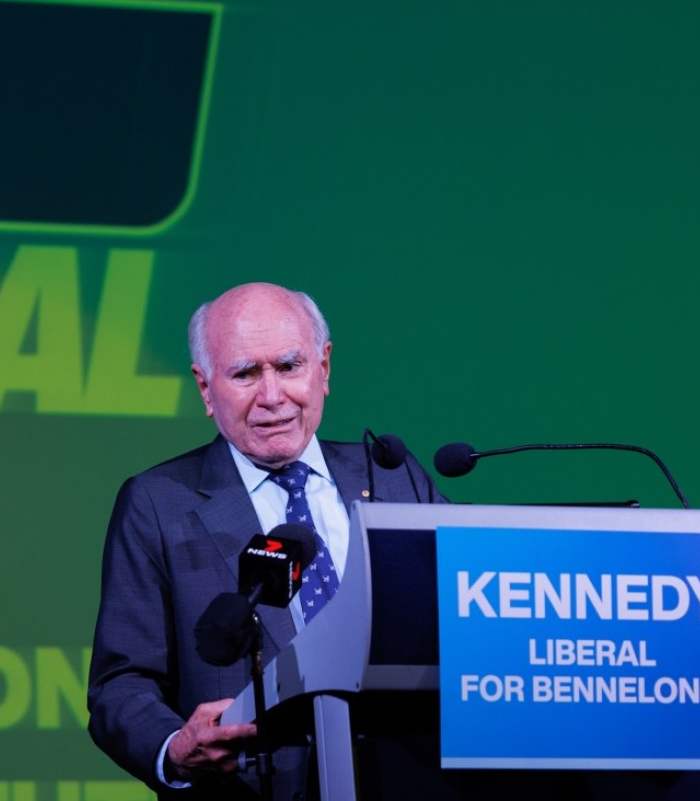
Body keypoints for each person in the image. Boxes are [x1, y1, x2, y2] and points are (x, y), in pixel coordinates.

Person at [87, 282, 445, 800]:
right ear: (206, 389)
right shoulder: (158, 504)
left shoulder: (393, 478)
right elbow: (121, 684)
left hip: (412, 778)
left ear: (323, 369)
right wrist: (174, 747)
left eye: (289, 366)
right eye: (245, 373)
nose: (272, 396)